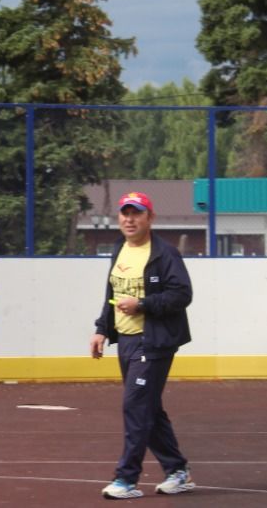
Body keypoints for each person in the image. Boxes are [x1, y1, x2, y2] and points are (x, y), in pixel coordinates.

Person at [90, 190, 194, 499]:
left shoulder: (164, 254)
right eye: (125, 213)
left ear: (150, 218)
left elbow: (182, 295)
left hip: (155, 342)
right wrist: (101, 330)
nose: (129, 219)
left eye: (136, 213)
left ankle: (127, 478)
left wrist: (144, 304)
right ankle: (177, 471)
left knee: (135, 405)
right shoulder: (119, 249)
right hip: (126, 342)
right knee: (148, 407)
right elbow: (112, 294)